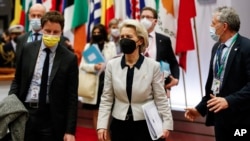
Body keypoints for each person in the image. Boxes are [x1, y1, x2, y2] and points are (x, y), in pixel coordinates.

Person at [97, 19, 173, 141]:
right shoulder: (112, 65)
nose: (124, 39)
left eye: (128, 36)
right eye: (122, 36)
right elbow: (106, 98)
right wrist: (101, 125)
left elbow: (161, 98)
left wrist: (167, 124)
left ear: (140, 40)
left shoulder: (153, 66)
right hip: (119, 124)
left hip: (145, 124)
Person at [9, 11, 78, 141]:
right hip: (26, 113)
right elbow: (17, 81)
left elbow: (72, 97)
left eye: (55, 32)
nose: (51, 35)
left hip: (51, 118)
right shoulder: (27, 49)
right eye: (48, 31)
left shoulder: (69, 58)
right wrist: (11, 109)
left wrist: (70, 131)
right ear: (41, 30)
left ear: (61, 32)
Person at [184, 6, 250, 141]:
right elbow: (213, 85)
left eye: (213, 23)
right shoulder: (217, 48)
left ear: (224, 26)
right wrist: (200, 109)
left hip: (242, 120)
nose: (210, 26)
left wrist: (228, 101)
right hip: (220, 119)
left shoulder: (246, 47)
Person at [79, 23, 116, 131]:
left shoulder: (111, 45)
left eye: (98, 32)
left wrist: (105, 66)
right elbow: (82, 66)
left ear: (103, 33)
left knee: (106, 112)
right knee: (96, 112)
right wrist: (94, 66)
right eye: (94, 33)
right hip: (94, 82)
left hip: (107, 81)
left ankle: (107, 136)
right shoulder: (88, 46)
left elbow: (114, 62)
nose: (96, 34)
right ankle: (99, 138)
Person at [140, 6, 179, 97]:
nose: (144, 19)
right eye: (142, 17)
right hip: (138, 87)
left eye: (148, 17)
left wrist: (176, 79)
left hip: (159, 86)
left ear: (155, 21)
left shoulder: (164, 40)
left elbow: (173, 62)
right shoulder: (134, 38)